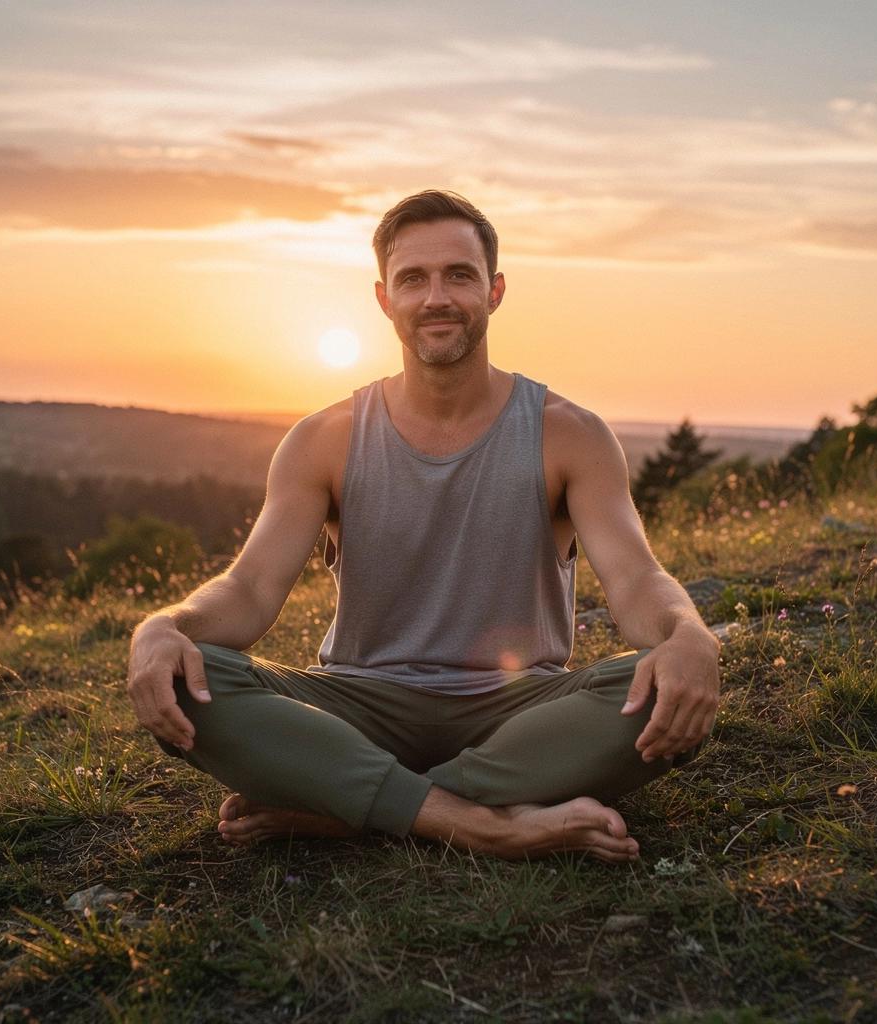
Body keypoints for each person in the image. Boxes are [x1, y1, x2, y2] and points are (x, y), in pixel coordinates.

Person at [127, 190, 721, 863]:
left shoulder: (569, 434)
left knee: (661, 689)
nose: (437, 296)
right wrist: (163, 626)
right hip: (358, 704)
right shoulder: (322, 439)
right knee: (188, 677)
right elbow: (250, 589)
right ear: (385, 299)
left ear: (494, 291)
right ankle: (482, 822)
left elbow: (636, 577)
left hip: (519, 708)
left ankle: (348, 806)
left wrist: (687, 633)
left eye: (459, 275)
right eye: (414, 278)